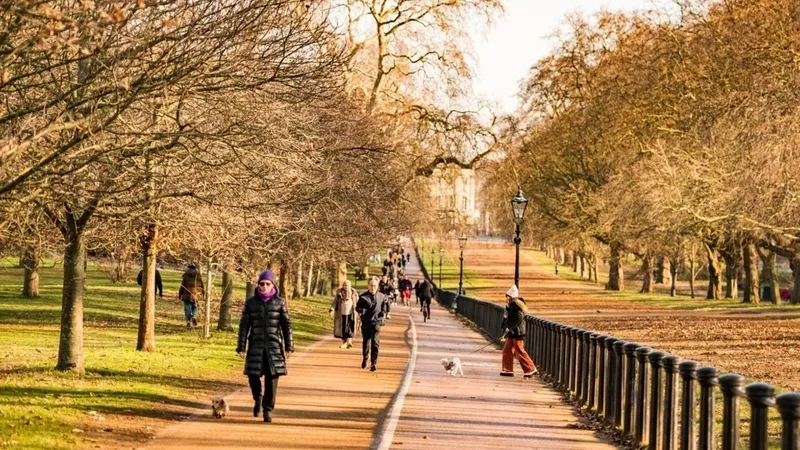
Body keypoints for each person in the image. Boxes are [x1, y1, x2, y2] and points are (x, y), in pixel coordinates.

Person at [236, 270, 294, 423]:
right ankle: (257, 398)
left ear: (272, 285)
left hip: (274, 347)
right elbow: (244, 326)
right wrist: (241, 346)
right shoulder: (251, 303)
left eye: (267, 284)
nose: (264, 286)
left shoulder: (280, 302)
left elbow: (286, 326)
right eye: (261, 284)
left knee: (272, 379)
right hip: (256, 345)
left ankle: (267, 409)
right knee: (253, 376)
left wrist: (289, 346)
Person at [500, 285, 537, 379]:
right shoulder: (510, 306)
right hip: (512, 333)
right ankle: (507, 369)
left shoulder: (516, 305)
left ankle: (530, 368)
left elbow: (519, 319)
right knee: (506, 350)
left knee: (519, 351)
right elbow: (507, 318)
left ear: (511, 297)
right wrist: (505, 326)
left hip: (518, 333)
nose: (506, 298)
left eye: (507, 296)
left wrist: (511, 328)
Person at [356, 276, 389, 371]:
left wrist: (383, 313)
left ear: (377, 286)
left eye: (374, 286)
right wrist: (362, 311)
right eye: (371, 285)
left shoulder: (382, 296)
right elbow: (357, 308)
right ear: (368, 285)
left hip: (377, 322)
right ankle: (365, 358)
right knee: (366, 341)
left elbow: (385, 307)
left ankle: (373, 363)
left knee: (375, 342)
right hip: (366, 322)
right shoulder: (363, 297)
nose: (373, 287)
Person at [330, 280, 359, 348]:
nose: (346, 287)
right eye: (345, 285)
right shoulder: (339, 293)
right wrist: (332, 309)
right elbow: (335, 302)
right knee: (343, 328)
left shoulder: (354, 293)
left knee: (350, 327)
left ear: (350, 286)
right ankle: (344, 342)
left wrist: (360, 311)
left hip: (351, 313)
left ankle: (349, 342)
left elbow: (358, 302)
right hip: (341, 314)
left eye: (348, 285)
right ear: (343, 286)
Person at [178, 264, 204, 328]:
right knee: (195, 307)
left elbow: (182, 286)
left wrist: (180, 294)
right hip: (197, 294)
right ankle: (193, 317)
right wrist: (203, 294)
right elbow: (202, 285)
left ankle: (189, 321)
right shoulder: (198, 276)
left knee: (187, 308)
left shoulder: (186, 275)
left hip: (187, 294)